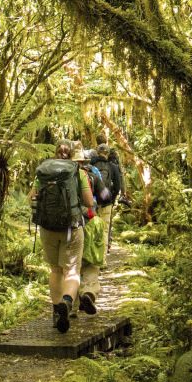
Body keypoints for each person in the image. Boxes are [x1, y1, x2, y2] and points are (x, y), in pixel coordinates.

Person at [29, 140, 95, 333]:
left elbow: (31, 198)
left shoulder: (43, 172)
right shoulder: (78, 172)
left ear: (56, 152)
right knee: (72, 270)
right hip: (72, 228)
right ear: (72, 154)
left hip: (48, 228)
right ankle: (67, 301)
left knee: (55, 270)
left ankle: (57, 312)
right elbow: (89, 202)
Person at [76, 143, 109, 315]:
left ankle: (71, 307)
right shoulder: (92, 174)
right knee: (91, 262)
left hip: (68, 225)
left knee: (72, 265)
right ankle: (88, 292)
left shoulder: (60, 175)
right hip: (89, 220)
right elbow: (105, 195)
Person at [90, 135, 125, 250]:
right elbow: (118, 184)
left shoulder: (90, 165)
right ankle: (103, 259)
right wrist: (112, 197)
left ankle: (94, 256)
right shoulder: (113, 166)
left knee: (93, 228)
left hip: (93, 201)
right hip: (106, 201)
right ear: (108, 153)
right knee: (105, 229)